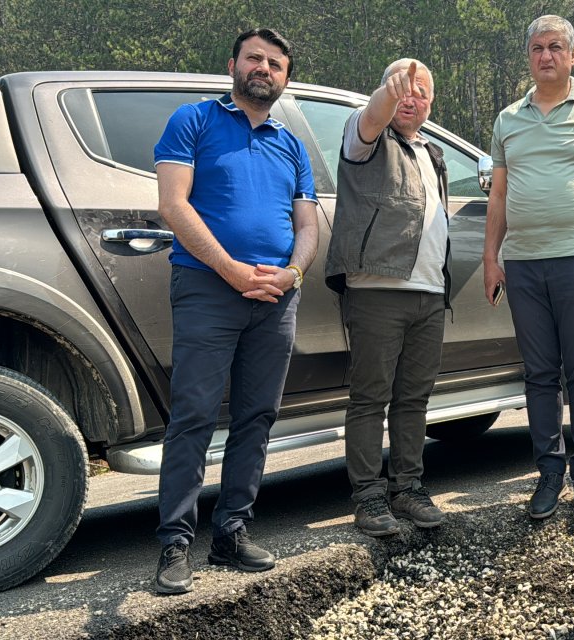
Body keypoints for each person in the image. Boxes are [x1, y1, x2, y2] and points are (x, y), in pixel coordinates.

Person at [150, 28, 318, 594]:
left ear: (285, 78)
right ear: (233, 64)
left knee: (257, 417)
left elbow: (307, 224)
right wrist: (232, 271)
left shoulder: (291, 145)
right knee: (194, 415)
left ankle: (232, 534)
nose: (263, 69)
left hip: (276, 297)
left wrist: (292, 274)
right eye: (254, 58)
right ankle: (175, 542)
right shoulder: (193, 120)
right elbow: (172, 204)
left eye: (275, 63)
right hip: (207, 289)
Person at [482, 14, 574, 523]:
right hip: (523, 263)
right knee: (540, 373)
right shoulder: (509, 119)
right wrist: (490, 258)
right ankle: (549, 473)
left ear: (573, 55)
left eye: (555, 47)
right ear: (529, 57)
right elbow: (498, 194)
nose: (546, 56)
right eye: (537, 48)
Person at [324, 58, 449, 537]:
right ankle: (369, 497)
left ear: (431, 102)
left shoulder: (430, 152)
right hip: (377, 289)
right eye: (402, 89)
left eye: (421, 91)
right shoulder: (366, 141)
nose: (411, 97)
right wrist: (388, 93)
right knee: (370, 398)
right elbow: (371, 116)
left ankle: (409, 488)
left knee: (414, 399)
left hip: (429, 293)